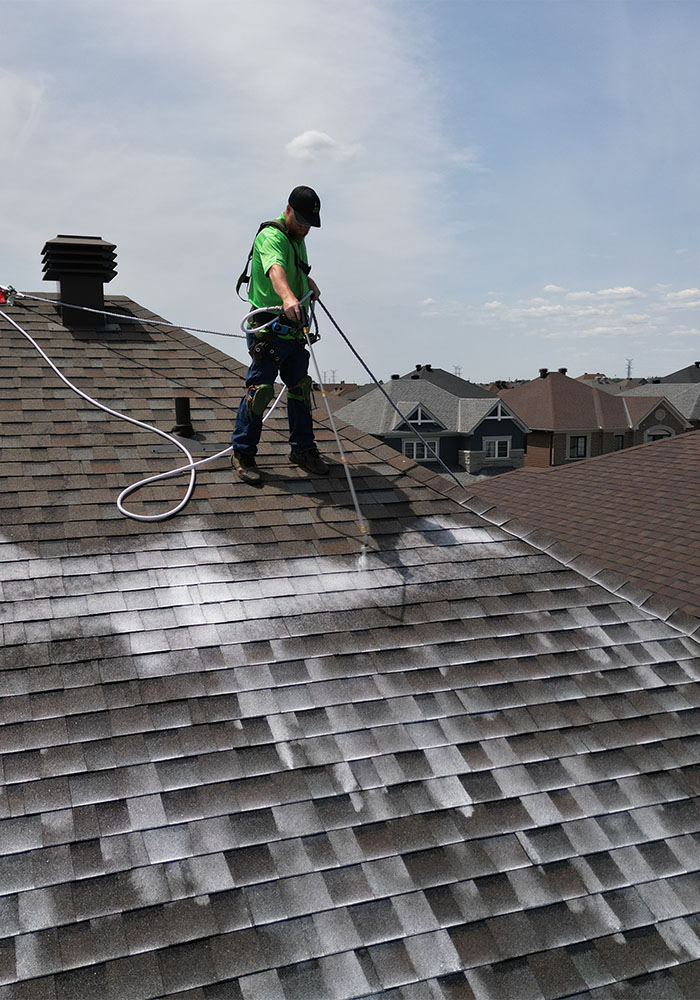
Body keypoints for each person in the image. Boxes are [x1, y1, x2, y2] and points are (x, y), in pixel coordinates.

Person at [231, 185, 329, 486]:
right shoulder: (271, 236)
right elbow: (275, 270)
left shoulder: (297, 239)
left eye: (309, 225)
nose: (304, 228)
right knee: (260, 390)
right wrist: (287, 298)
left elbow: (292, 269)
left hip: (293, 329)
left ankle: (302, 450)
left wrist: (307, 283)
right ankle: (243, 454)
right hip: (269, 329)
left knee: (300, 387)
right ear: (288, 210)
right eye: (300, 221)